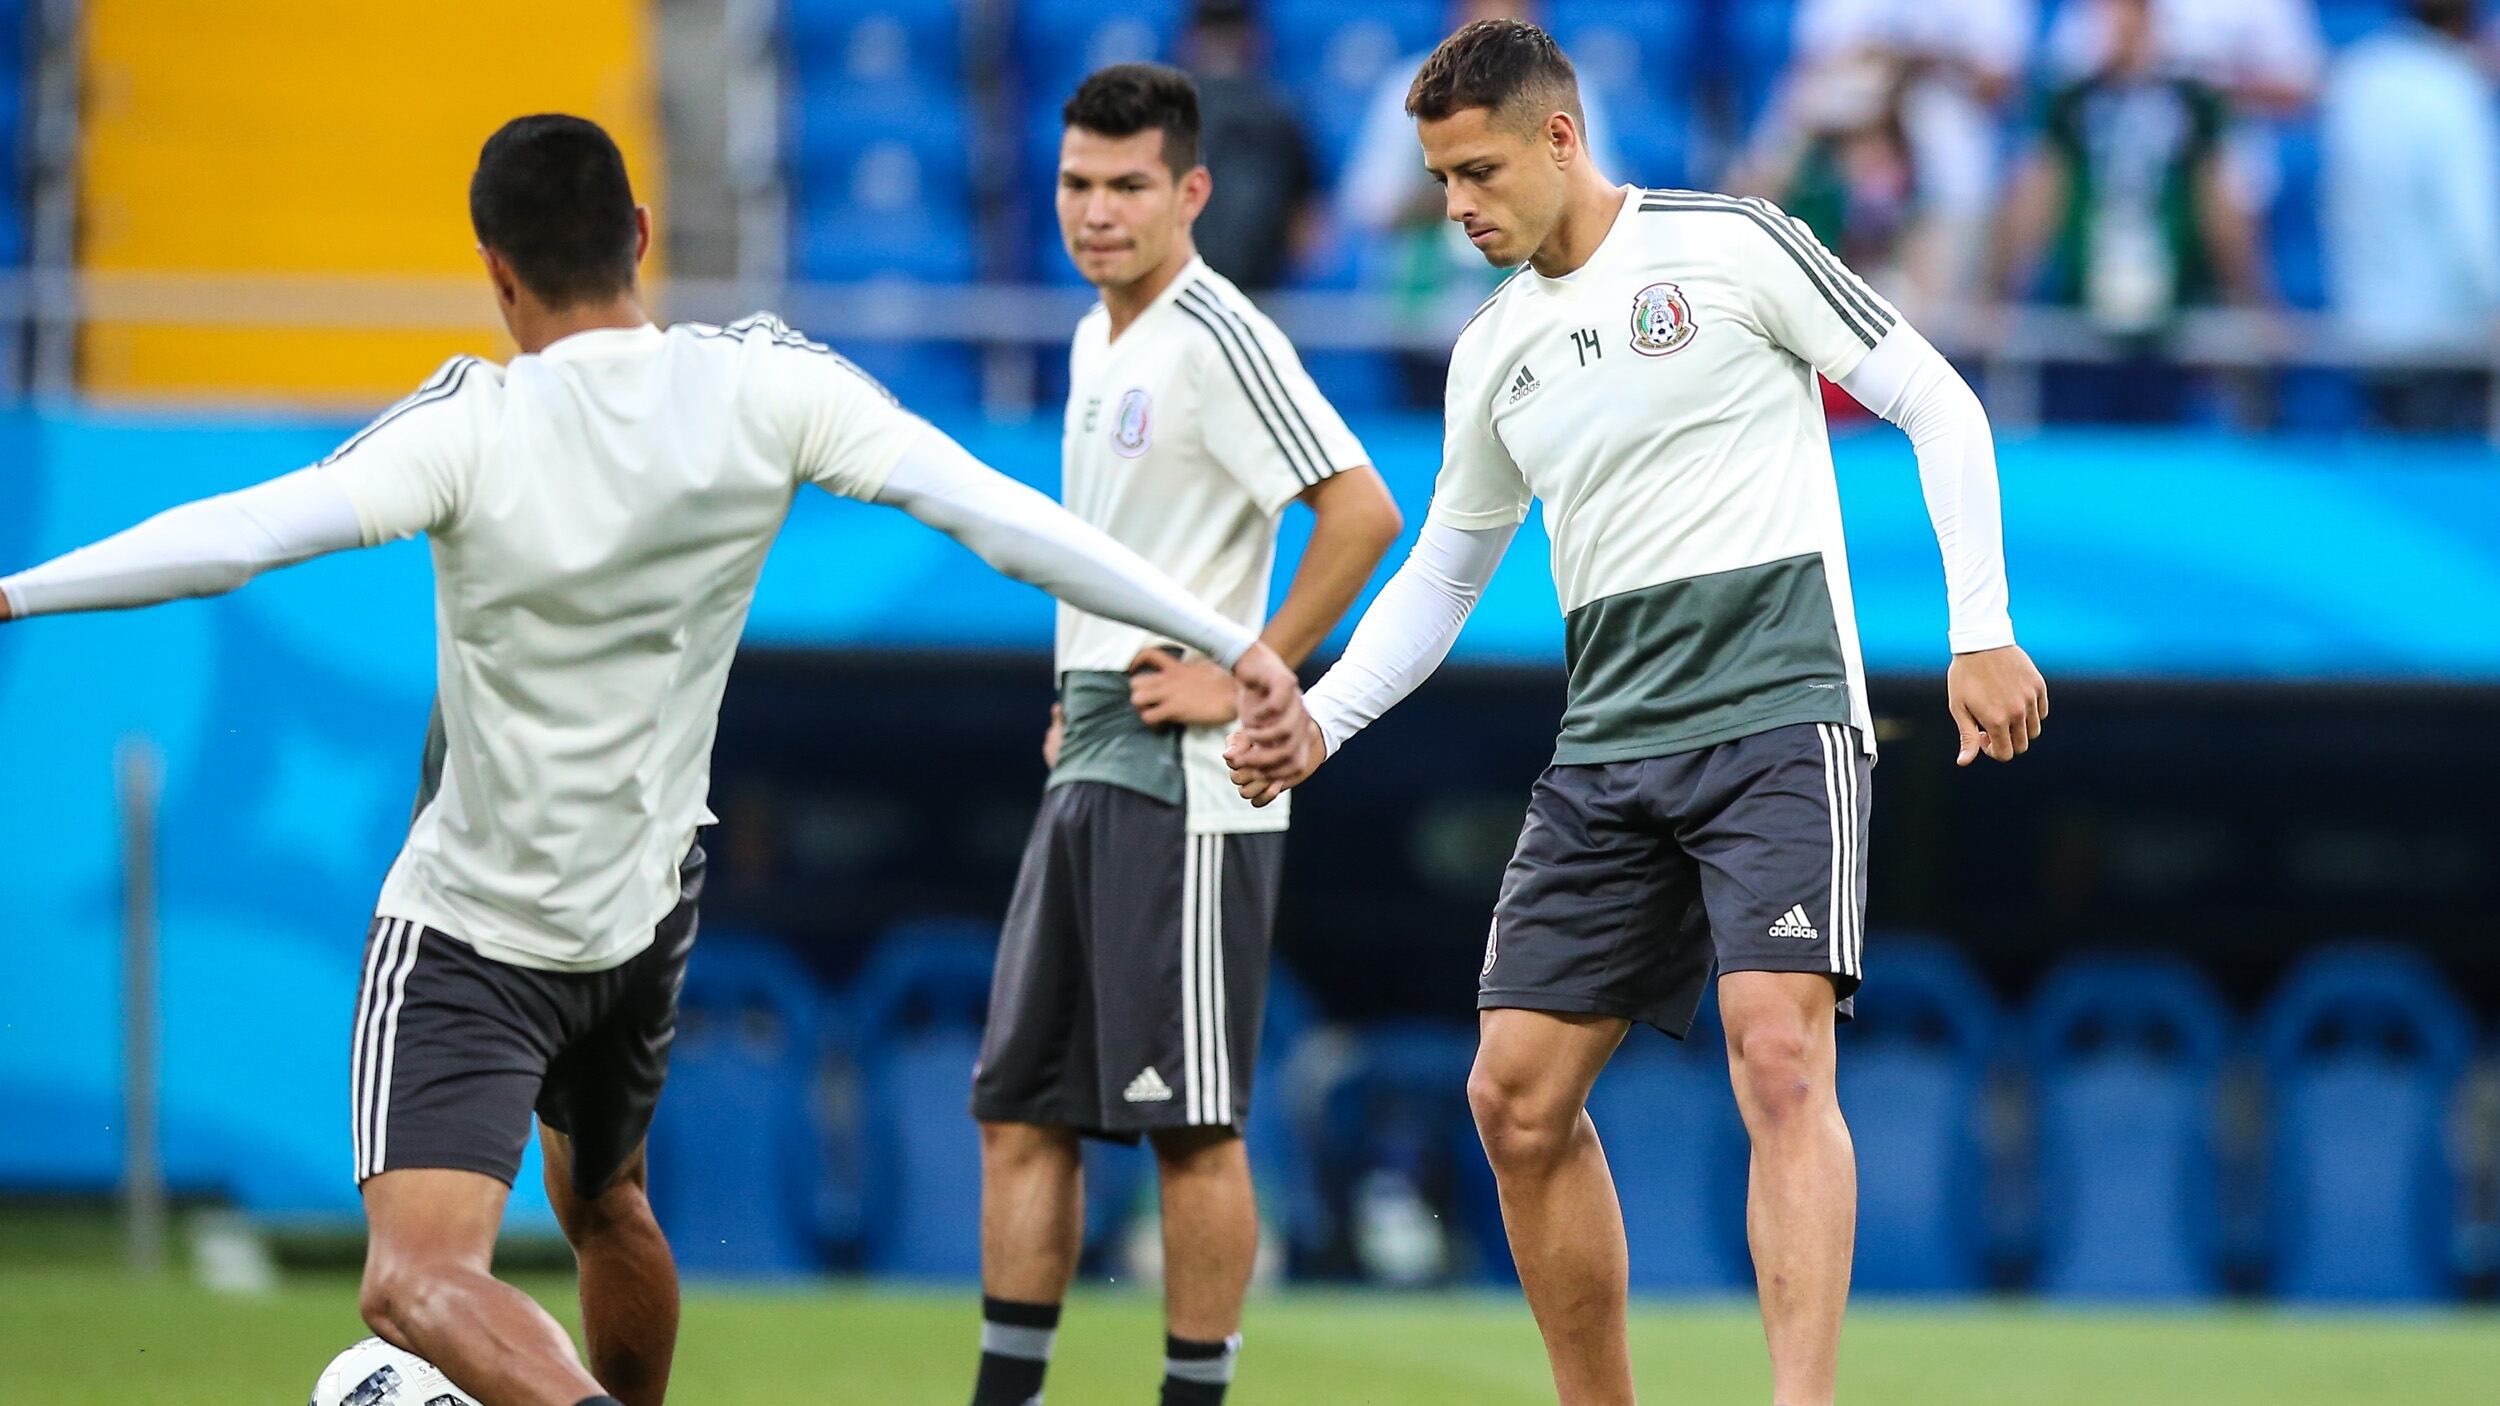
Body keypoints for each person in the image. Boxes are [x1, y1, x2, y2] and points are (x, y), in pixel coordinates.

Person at [0, 115, 1303, 1406]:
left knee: (410, 1282)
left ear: (496, 270)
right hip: (642, 916)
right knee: (608, 1203)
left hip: (476, 921)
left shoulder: (471, 422)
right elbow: (998, 516)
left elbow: (238, 537)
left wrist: (17, 591)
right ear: (637, 234)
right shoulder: (766, 385)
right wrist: (1229, 636)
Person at [1227, 21, 2046, 1406]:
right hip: (1607, 746)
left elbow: (1937, 400)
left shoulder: (1733, 244)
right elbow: (1445, 572)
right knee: (1513, 1098)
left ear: (1560, 137)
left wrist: (1982, 628)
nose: (1454, 206)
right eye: (1438, 180)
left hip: (1778, 715)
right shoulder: (1491, 350)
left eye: (1477, 171)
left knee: (1777, 1054)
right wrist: (1323, 717)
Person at [969, 64, 1401, 1406]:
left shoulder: (1218, 331)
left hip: (1187, 777)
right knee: (1019, 1109)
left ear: (1191, 191)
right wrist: (1077, 682)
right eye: (1075, 184)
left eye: (1127, 185)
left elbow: (1363, 509)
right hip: (1098, 743)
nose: (1096, 211)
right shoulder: (1096, 340)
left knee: (1191, 1122)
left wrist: (1250, 669)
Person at [1992, 0, 2264, 420]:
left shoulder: (2193, 104)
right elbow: (2037, 198)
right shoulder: (2071, 104)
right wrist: (2001, 293)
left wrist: (2248, 298)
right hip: (2083, 300)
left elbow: (2219, 206)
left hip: (2175, 305)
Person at [1337, 0, 1619, 405]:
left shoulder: (1566, 89)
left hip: (1535, 318)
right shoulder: (1413, 88)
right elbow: (1368, 205)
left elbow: (1591, 196)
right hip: (1423, 319)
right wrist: (1457, 189)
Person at [2323, 0, 2500, 433]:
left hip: (2365, 325)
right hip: (2446, 340)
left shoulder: (2358, 74)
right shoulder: (2454, 88)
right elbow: (2471, 228)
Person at [1182, 0, 1322, 291]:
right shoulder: (1170, 112)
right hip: (1218, 286)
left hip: (1254, 287)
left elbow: (1306, 221)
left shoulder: (1279, 112)